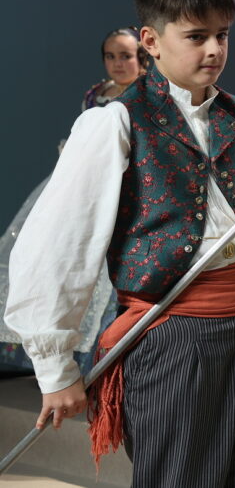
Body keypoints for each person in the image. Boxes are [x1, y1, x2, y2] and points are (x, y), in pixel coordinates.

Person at [3, 0, 235, 486]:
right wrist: (55, 368)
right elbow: (59, 247)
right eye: (196, 36)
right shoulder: (114, 123)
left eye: (222, 35)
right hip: (171, 334)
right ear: (151, 41)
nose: (214, 50)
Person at [0, 28, 149, 375]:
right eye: (111, 56)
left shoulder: (145, 93)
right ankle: (69, 355)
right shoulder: (97, 93)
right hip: (87, 185)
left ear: (142, 58)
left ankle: (111, 358)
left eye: (126, 56)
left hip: (128, 185)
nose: (118, 63)